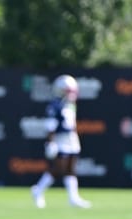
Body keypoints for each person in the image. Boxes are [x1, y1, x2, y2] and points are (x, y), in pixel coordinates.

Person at [31, 74, 91, 209]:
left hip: (71, 138)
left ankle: (73, 197)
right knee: (58, 168)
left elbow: (72, 123)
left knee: (71, 167)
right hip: (60, 138)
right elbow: (50, 125)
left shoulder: (70, 104)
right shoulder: (55, 105)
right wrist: (50, 142)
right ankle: (38, 190)